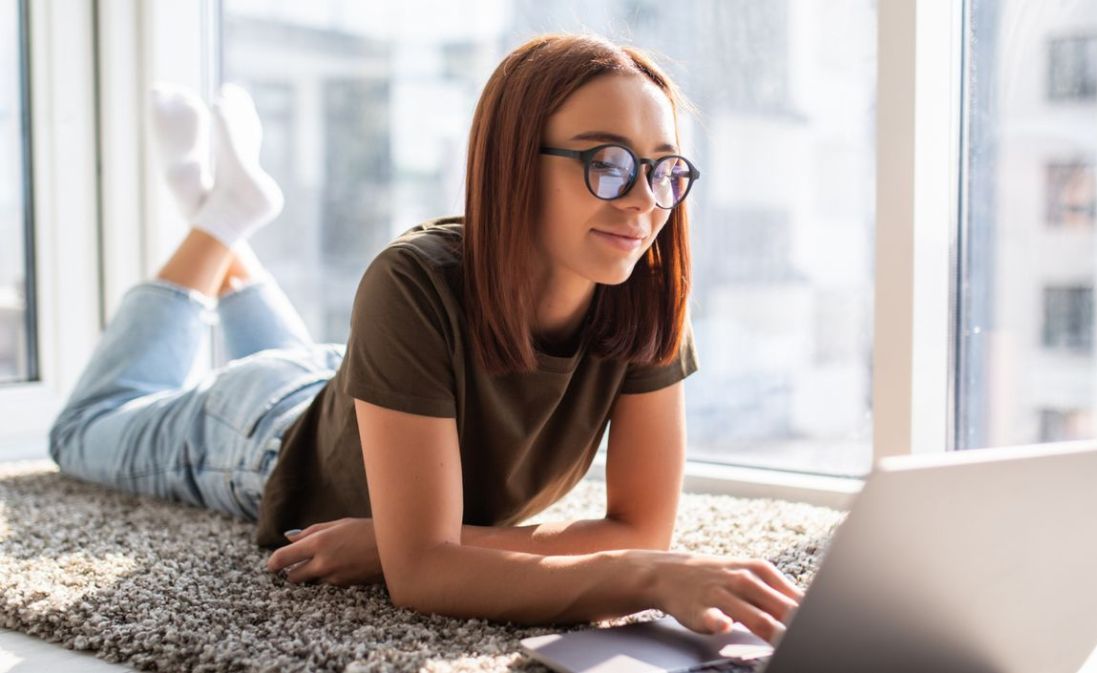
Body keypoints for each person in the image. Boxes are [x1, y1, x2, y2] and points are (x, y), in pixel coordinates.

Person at [47, 32, 802, 645]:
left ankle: (226, 220)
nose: (645, 201)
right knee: (84, 428)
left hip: (372, 398)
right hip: (261, 434)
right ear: (514, 165)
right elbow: (430, 577)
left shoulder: (642, 288)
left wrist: (411, 543)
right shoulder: (410, 281)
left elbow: (640, 526)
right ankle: (218, 224)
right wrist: (644, 574)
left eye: (664, 170)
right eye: (607, 165)